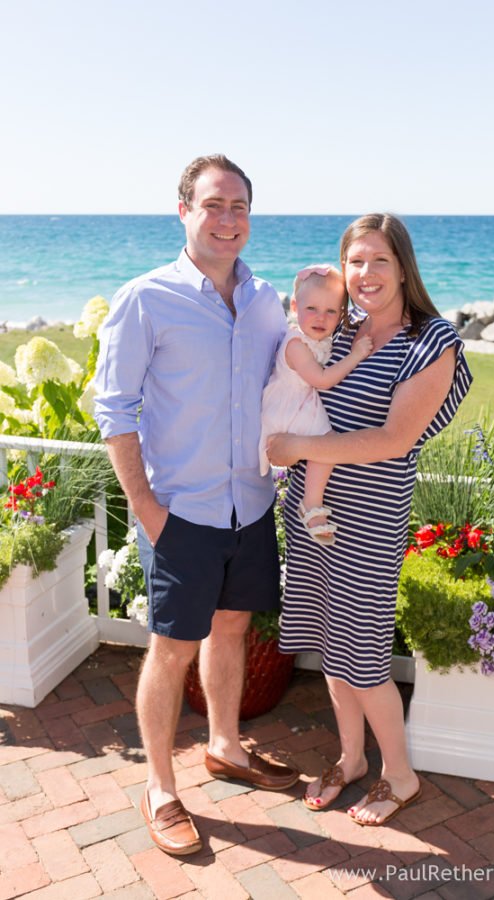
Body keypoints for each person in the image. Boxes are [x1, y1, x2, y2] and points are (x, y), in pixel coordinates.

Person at [94, 154, 299, 857]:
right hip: (180, 514)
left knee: (234, 629)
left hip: (250, 506)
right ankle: (159, 787)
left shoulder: (270, 298)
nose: (228, 219)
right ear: (183, 211)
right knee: (172, 648)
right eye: (214, 204)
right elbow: (114, 410)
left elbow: (296, 371)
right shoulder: (146, 298)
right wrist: (147, 508)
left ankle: (224, 746)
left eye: (240, 206)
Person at [267, 213, 473, 826]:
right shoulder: (340, 328)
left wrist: (297, 448)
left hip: (370, 520)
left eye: (378, 260)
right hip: (312, 510)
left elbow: (392, 439)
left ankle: (400, 775)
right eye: (354, 261)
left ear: (403, 266)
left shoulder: (434, 342)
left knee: (364, 655)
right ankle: (352, 758)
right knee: (332, 646)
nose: (365, 274)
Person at [258, 267, 373, 544]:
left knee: (325, 446)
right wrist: (356, 356)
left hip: (299, 403)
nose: (321, 318)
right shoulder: (296, 344)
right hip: (288, 409)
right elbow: (321, 380)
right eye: (312, 308)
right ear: (295, 307)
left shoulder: (315, 337)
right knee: (328, 443)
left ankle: (310, 502)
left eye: (331, 311)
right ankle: (311, 503)